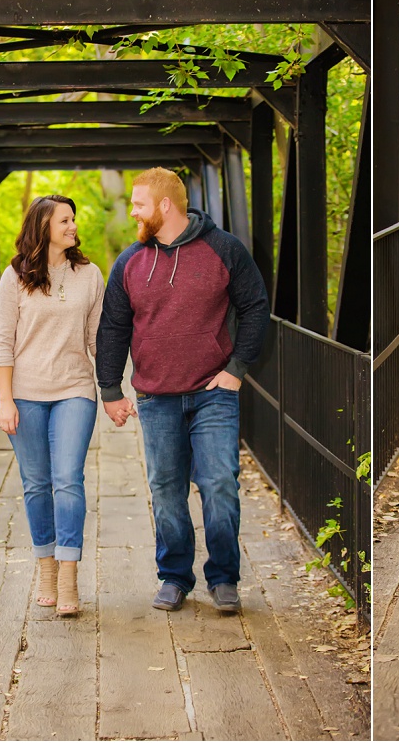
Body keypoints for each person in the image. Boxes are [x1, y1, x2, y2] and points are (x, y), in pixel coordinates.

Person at [96, 167, 269, 614]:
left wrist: (236, 369)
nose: (132, 211)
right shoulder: (130, 261)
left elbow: (255, 307)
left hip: (214, 393)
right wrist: (110, 389)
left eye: (139, 204)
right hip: (156, 397)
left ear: (165, 206)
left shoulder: (224, 249)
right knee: (167, 489)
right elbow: (113, 327)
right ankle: (174, 577)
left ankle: (224, 578)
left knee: (219, 485)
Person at [0, 194, 104, 617]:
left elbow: (98, 339)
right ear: (43, 226)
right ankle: (46, 570)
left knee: (68, 480)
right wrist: (5, 400)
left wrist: (113, 389)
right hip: (25, 394)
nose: (73, 226)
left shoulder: (90, 274)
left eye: (73, 219)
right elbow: (3, 343)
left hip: (76, 389)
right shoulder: (15, 277)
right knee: (36, 483)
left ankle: (70, 574)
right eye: (65, 220)